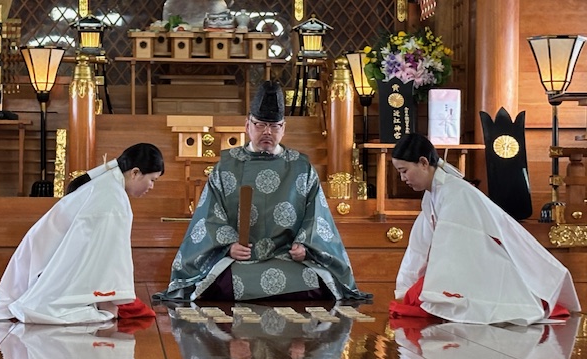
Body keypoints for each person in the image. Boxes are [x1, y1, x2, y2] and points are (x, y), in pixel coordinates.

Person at [155, 80, 370, 302]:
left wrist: (305, 246)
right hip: (241, 260)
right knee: (221, 283)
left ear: (283, 128)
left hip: (286, 258)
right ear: (247, 125)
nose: (267, 132)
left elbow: (317, 216)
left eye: (274, 126)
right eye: (260, 125)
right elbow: (209, 217)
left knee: (318, 281)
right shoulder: (226, 167)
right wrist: (229, 246)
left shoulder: (301, 167)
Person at [0, 143, 164, 324]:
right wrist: (115, 298)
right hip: (44, 265)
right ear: (135, 173)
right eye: (152, 180)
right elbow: (109, 256)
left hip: (39, 259)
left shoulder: (107, 185)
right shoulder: (112, 196)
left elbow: (96, 253)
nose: (152, 187)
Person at [389, 133, 581, 325]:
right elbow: (419, 247)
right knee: (415, 296)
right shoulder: (435, 194)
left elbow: (455, 250)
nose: (402, 178)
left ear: (423, 162)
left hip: (486, 266)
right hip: (470, 267)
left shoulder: (455, 192)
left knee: (423, 297)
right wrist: (406, 285)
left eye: (404, 171)